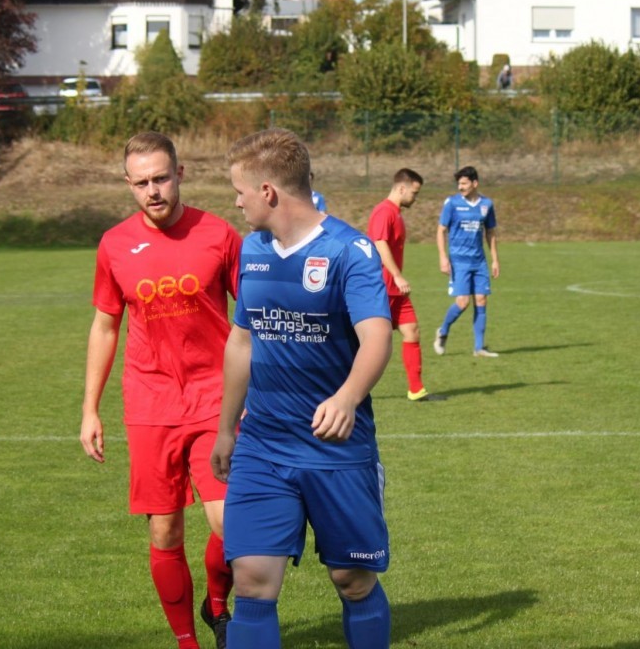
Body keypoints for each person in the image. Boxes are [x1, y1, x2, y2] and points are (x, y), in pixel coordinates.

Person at [213, 128, 393, 649]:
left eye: (240, 190)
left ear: (268, 191)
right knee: (252, 581)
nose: (237, 200)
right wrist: (227, 429)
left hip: (336, 448)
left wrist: (347, 396)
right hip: (263, 444)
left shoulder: (349, 251)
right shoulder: (252, 250)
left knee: (352, 580)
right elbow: (243, 341)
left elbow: (376, 336)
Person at [80, 132, 243, 649]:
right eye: (141, 182)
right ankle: (188, 642)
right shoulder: (114, 245)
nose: (153, 190)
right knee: (164, 533)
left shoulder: (219, 234)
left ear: (180, 174)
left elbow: (257, 317)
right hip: (151, 404)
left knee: (232, 527)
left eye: (161, 178)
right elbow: (105, 325)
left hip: (217, 398)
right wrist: (90, 409)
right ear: (129, 184)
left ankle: (219, 603)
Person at [368, 168, 443, 402]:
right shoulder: (384, 212)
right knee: (365, 343)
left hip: (396, 290)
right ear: (402, 188)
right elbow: (380, 244)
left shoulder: (396, 213)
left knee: (412, 331)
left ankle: (416, 390)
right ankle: (339, 388)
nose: (415, 198)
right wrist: (397, 275)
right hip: (382, 288)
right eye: (414, 192)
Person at [434, 166, 500, 358]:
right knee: (463, 303)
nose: (460, 187)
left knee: (481, 299)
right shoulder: (452, 203)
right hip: (459, 260)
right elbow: (441, 230)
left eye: (464, 183)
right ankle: (443, 331)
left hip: (479, 261)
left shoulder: (486, 204)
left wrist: (495, 259)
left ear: (475, 183)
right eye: (459, 183)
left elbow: (491, 232)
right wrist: (442, 256)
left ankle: (479, 348)